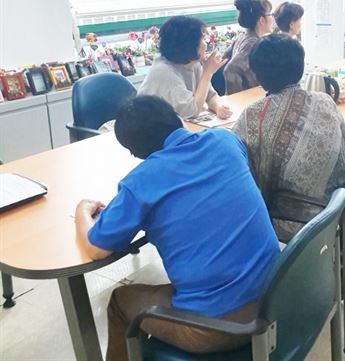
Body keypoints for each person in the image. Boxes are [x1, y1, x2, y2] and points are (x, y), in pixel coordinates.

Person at [74, 95, 279, 360]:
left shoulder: (140, 183)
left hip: (220, 326)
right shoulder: (225, 140)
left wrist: (83, 210)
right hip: (276, 293)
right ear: (177, 119)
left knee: (119, 302)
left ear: (135, 153)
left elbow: (95, 248)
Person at [232, 33, 345, 242]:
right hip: (336, 207)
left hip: (293, 222)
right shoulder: (325, 100)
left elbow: (235, 167)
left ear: (258, 75)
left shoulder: (253, 114)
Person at [138, 16, 232, 120]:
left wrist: (218, 107)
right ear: (190, 45)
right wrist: (207, 73)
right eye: (203, 39)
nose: (206, 44)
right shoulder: (164, 72)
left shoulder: (192, 63)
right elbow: (192, 111)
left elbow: (210, 95)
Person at [223, 0, 274, 94]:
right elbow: (230, 69)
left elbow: (224, 58)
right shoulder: (253, 43)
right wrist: (236, 97)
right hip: (247, 99)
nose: (273, 18)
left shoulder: (243, 36)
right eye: (271, 15)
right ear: (262, 20)